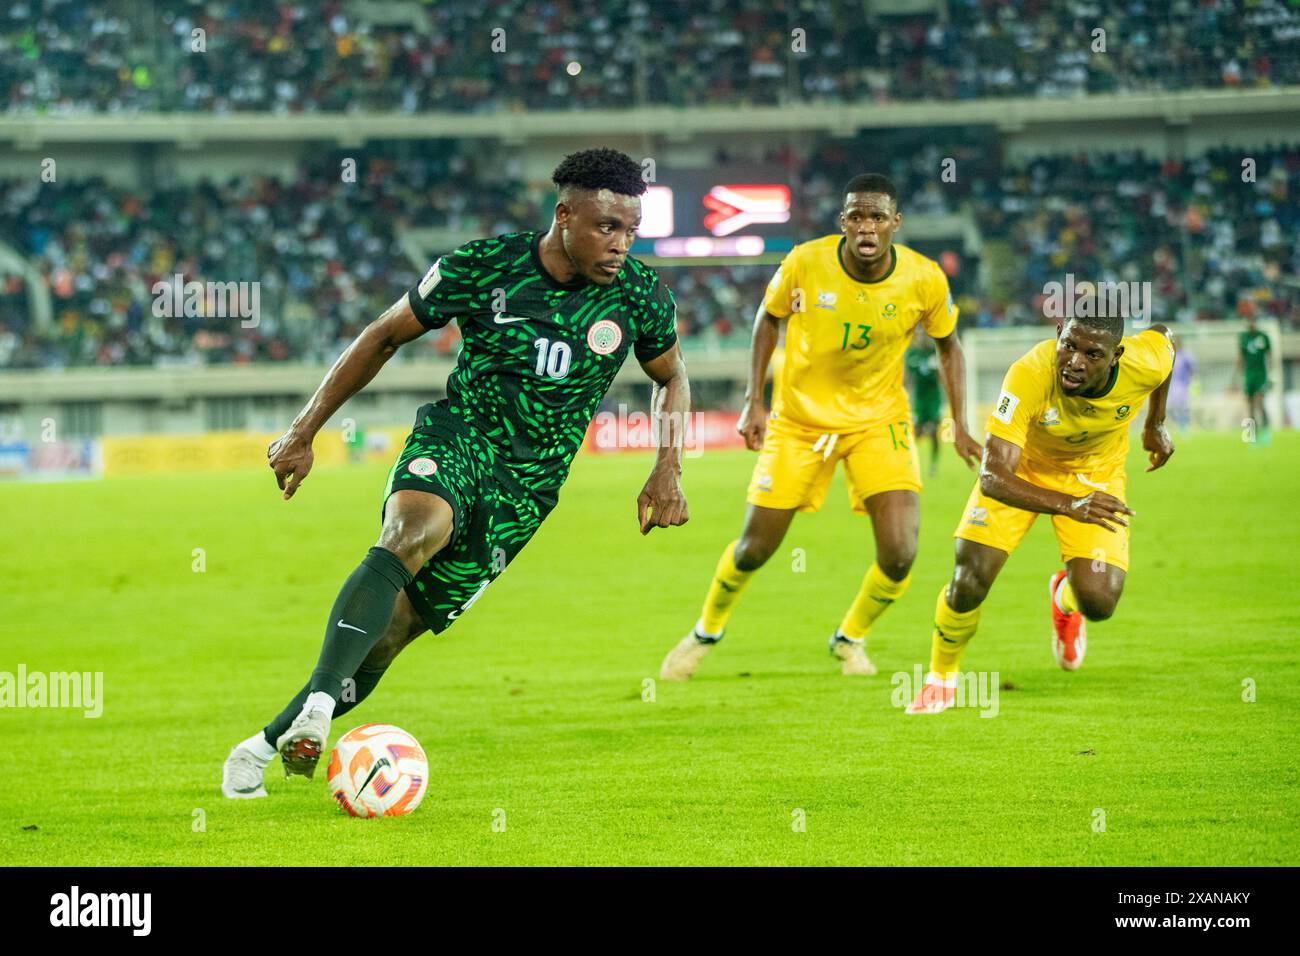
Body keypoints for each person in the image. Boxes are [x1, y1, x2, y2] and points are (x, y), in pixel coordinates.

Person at [222, 148, 691, 797]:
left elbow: (671, 377)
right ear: (564, 215)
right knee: (410, 533)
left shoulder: (638, 296)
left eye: (630, 231)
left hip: (528, 490)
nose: (620, 245)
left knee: (389, 638)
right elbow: (385, 334)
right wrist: (303, 431)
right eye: (607, 227)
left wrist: (666, 467)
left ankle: (261, 746)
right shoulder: (483, 267)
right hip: (461, 436)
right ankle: (320, 707)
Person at [660, 173, 980, 682]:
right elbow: (768, 318)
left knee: (900, 555)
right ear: (843, 222)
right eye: (856, 216)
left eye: (877, 216)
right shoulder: (805, 262)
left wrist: (960, 422)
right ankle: (706, 631)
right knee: (754, 548)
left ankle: (849, 637)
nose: (866, 226)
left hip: (879, 422)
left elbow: (949, 344)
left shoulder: (924, 279)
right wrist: (753, 401)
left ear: (895, 223)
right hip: (799, 422)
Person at [907, 314, 1175, 714]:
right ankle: (941, 677)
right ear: (1058, 336)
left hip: (1095, 474)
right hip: (1022, 470)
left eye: (1092, 353)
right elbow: (992, 476)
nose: (1074, 361)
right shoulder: (1028, 374)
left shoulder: (1144, 361)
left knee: (1099, 602)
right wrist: (1071, 505)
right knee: (969, 579)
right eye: (1068, 345)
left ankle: (1063, 599)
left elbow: (1166, 342)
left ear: (1116, 356)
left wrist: (1155, 424)